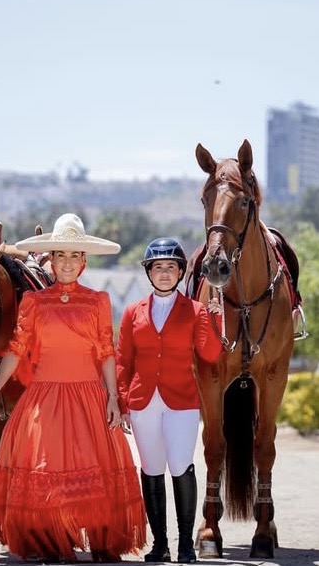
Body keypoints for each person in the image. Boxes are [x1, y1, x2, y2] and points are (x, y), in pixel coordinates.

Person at [0, 213, 146, 563]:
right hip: (45, 399)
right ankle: (53, 541)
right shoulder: (34, 302)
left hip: (89, 397)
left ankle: (101, 542)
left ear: (83, 261)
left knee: (95, 470)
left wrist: (114, 398)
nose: (67, 263)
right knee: (47, 470)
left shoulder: (98, 300)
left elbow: (105, 352)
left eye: (74, 256)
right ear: (50, 260)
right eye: (61, 255)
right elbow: (17, 349)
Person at [115, 237, 222, 563]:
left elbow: (209, 353)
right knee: (151, 468)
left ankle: (186, 545)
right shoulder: (133, 311)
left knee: (180, 465)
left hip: (182, 402)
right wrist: (121, 402)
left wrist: (217, 320)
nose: (164, 273)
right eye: (158, 267)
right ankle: (159, 544)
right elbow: (123, 360)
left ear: (179, 273)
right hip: (143, 401)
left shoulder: (196, 310)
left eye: (170, 268)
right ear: (149, 272)